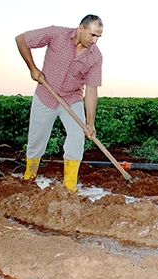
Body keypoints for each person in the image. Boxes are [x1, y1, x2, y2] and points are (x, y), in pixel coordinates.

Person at [15, 14, 103, 192]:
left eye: (98, 37)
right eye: (92, 35)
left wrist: (90, 122)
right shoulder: (56, 34)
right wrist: (32, 68)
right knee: (36, 140)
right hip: (46, 95)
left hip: (72, 99)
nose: (95, 41)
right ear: (81, 28)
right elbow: (21, 39)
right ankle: (29, 178)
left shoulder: (95, 57)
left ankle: (69, 188)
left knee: (77, 138)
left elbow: (92, 90)